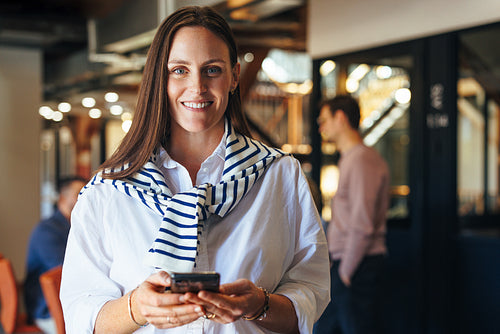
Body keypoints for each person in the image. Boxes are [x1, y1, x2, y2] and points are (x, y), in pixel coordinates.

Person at [60, 6, 330, 334]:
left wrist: (259, 304)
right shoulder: (109, 190)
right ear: (160, 78)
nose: (197, 86)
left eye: (212, 70)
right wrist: (137, 307)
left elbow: (310, 295)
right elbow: (80, 318)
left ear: (233, 76)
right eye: (179, 70)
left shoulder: (280, 176)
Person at [314, 95, 389, 334]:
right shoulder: (352, 158)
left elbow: (362, 223)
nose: (320, 126)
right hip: (349, 265)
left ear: (341, 117)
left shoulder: (360, 159)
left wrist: (345, 272)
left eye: (324, 119)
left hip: (356, 267)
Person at [24, 176, 87, 334]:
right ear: (62, 198)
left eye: (85, 194)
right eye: (78, 194)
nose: (84, 199)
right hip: (47, 310)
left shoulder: (79, 228)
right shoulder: (47, 231)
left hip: (75, 302)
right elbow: (69, 274)